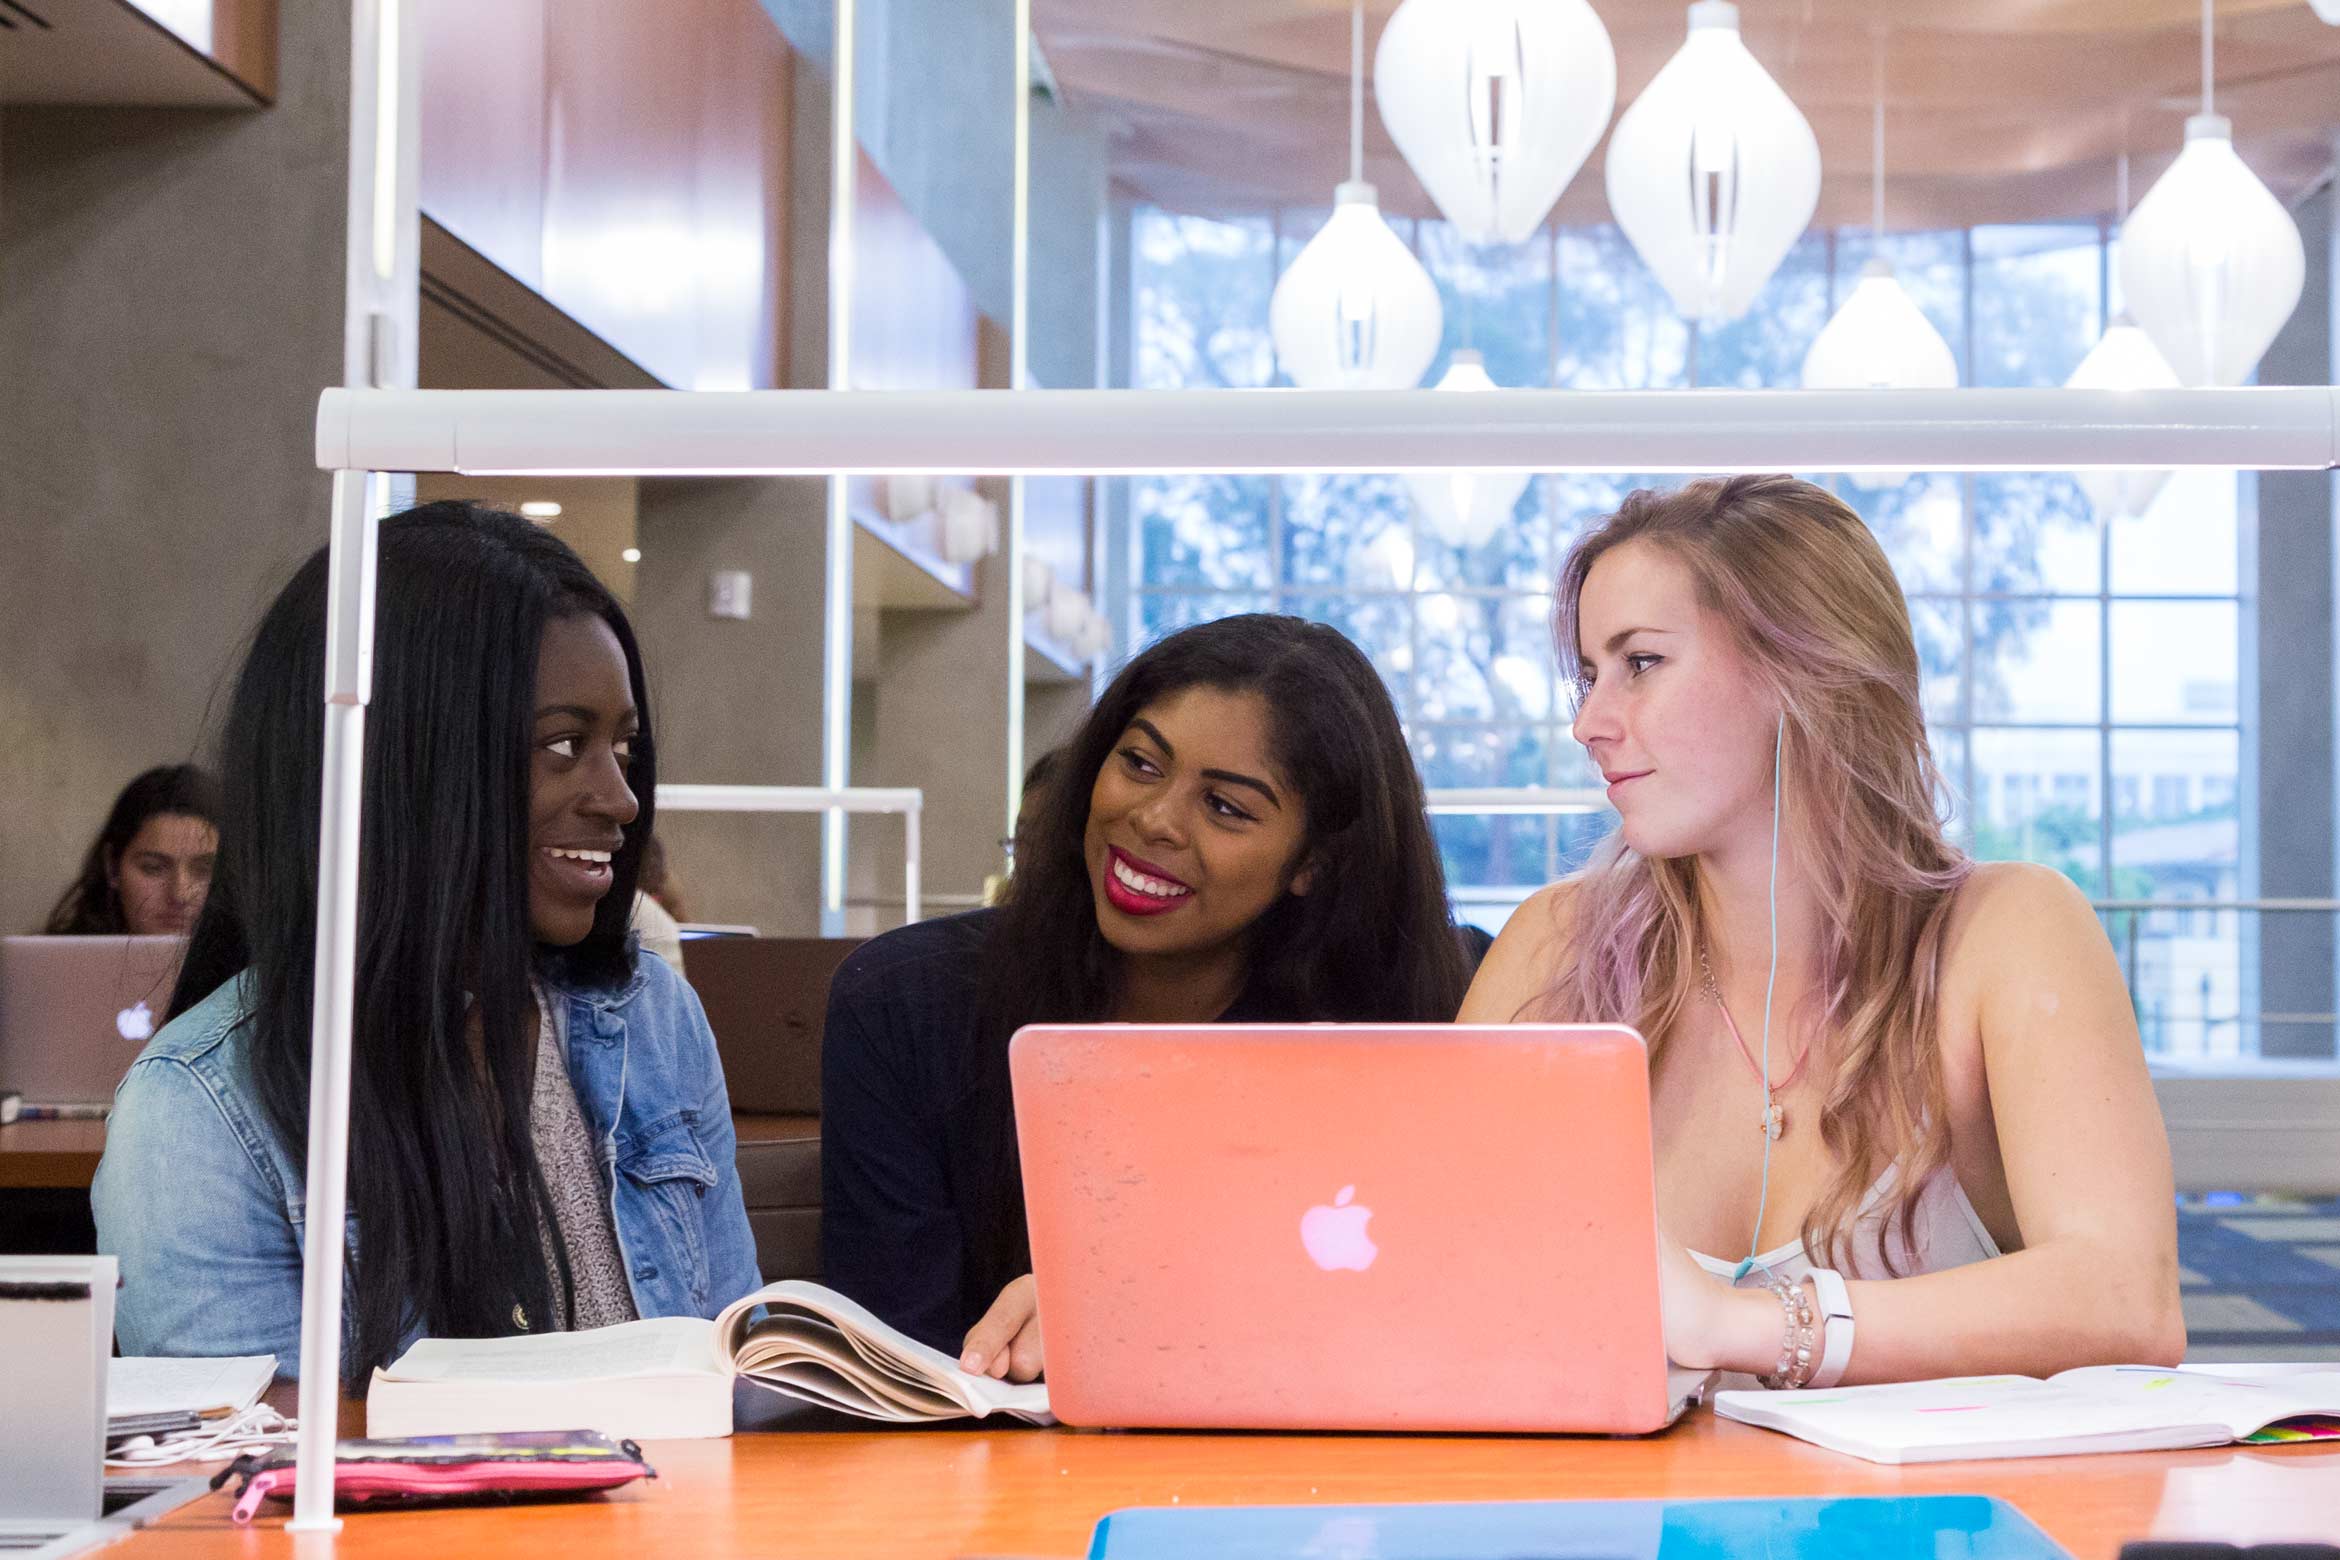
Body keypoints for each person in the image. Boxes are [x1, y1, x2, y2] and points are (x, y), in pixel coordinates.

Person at [1459, 475, 2183, 1388]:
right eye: (1589, 675)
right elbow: (1436, 1281)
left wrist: (1743, 1325)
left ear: (1803, 664)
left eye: (1640, 663)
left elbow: (2127, 1298)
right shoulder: (1551, 948)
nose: (1588, 723)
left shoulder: (2006, 932)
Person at [93, 502, 761, 1382]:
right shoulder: (199, 1115)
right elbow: (257, 1493)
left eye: (623, 749)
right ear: (412, 759)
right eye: (564, 745)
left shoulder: (649, 1017)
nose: (620, 799)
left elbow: (740, 1379)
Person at [823, 613, 1480, 1381]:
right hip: (984, 1483)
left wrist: (1131, 1308)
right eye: (1139, 763)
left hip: (1317, 1477)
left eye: (1226, 807)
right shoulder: (908, 1001)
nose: (1154, 820)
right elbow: (894, 1371)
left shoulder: (1430, 1012)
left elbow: (1441, 1327)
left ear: (1316, 864)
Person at [42, 764, 220, 937]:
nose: (180, 894)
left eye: (204, 870)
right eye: (153, 868)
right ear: (112, 867)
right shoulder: (49, 964)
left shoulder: (246, 960)